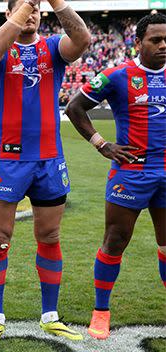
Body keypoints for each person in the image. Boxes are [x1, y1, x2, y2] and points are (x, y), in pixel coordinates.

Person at [0, 0, 90, 343]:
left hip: (49, 160)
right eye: (25, 7)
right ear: (11, 13)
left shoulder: (53, 47)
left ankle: (50, 315)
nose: (32, 14)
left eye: (36, 9)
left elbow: (82, 39)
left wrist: (54, 2)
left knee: (50, 237)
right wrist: (22, 9)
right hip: (7, 161)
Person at [65, 13, 166, 340]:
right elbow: (75, 108)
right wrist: (102, 144)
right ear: (138, 43)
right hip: (131, 172)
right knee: (115, 240)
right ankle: (101, 311)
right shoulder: (118, 75)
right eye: (156, 40)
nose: (163, 45)